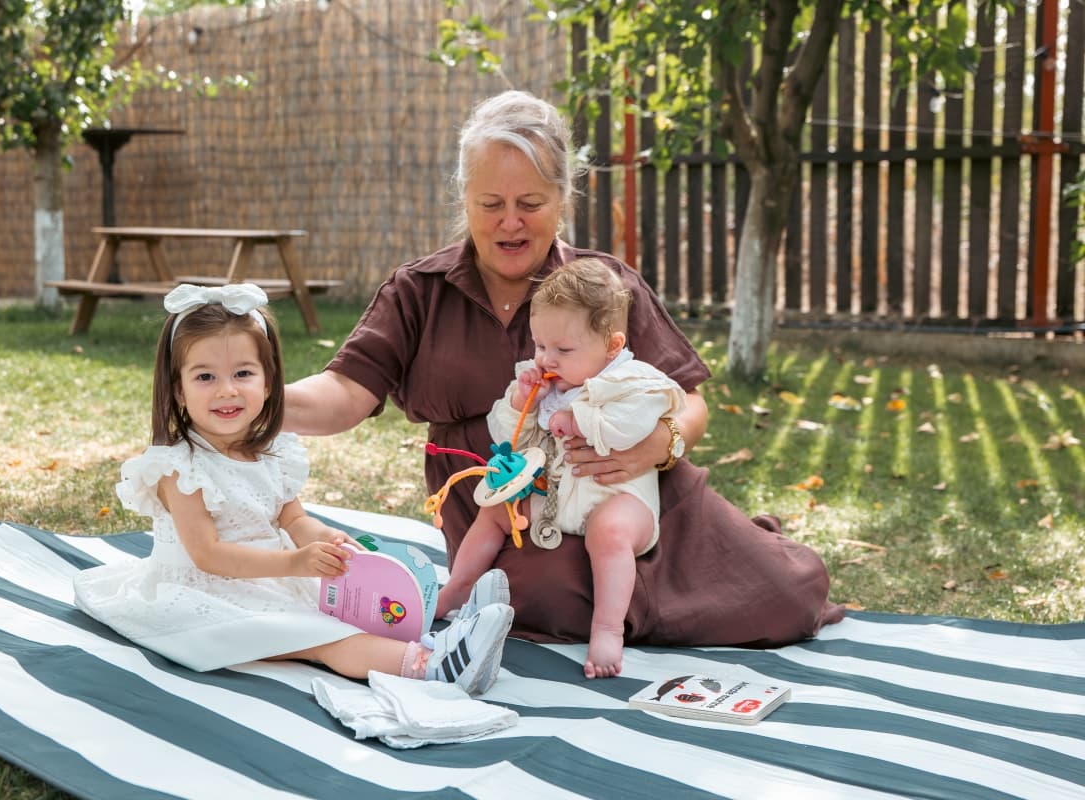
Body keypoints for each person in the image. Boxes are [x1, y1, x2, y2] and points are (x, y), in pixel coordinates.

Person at [279, 90, 844, 653]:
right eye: (490, 203)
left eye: (530, 202)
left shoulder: (601, 287)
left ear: (562, 197)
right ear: (464, 200)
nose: (510, 222)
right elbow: (344, 393)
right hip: (508, 507)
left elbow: (688, 400)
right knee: (553, 597)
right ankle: (635, 605)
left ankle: (731, 553)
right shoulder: (418, 292)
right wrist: (257, 405)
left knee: (785, 594)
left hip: (629, 488)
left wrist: (658, 444)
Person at [73, 283, 513, 695]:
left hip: (273, 575)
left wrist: (319, 537)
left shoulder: (271, 449)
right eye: (205, 377)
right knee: (322, 637)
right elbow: (208, 555)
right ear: (179, 390)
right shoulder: (179, 467)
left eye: (242, 373)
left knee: (350, 600)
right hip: (204, 593)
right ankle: (431, 664)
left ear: (268, 383)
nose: (226, 390)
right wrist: (296, 561)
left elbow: (291, 517)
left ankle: (449, 625)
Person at [434, 258, 690, 678]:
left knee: (609, 532)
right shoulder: (538, 382)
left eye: (563, 350)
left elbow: (632, 429)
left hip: (616, 497)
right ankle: (458, 586)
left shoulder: (634, 382)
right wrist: (522, 405)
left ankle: (607, 629)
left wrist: (581, 421)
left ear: (611, 346)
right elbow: (507, 436)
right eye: (539, 346)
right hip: (554, 499)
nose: (547, 359)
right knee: (497, 511)